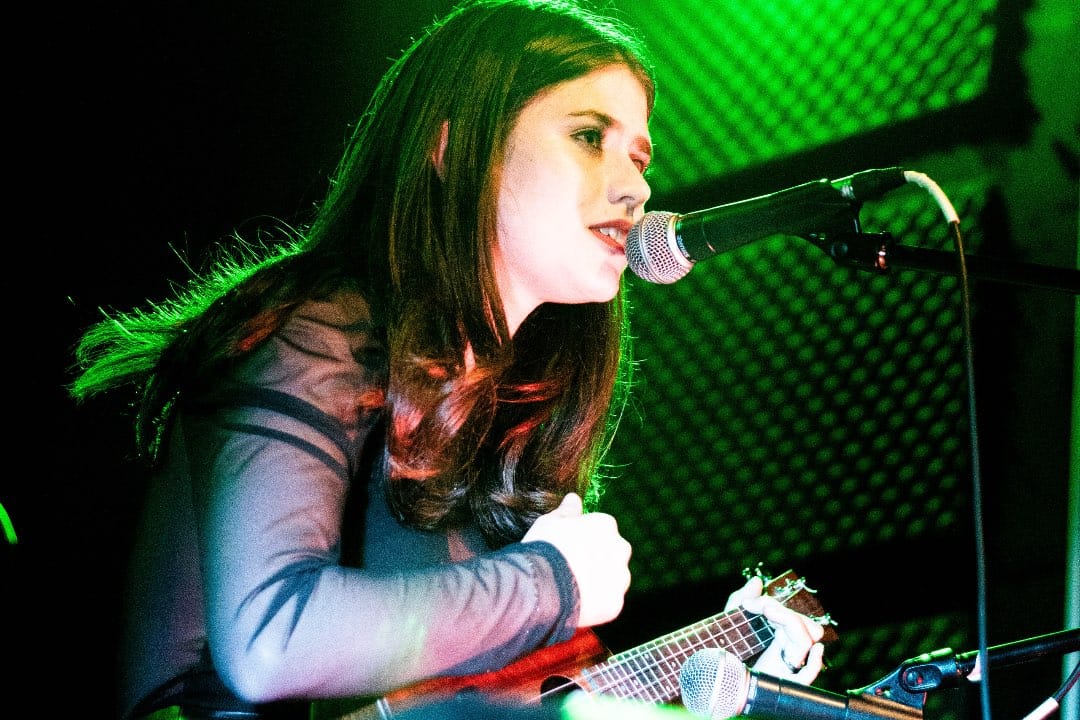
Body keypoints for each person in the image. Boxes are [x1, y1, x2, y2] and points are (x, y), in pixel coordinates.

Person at [69, 1, 826, 718]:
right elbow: (270, 641)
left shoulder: (508, 417)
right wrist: (553, 581)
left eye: (639, 154)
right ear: (452, 144)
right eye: (590, 136)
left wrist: (724, 676)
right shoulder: (316, 324)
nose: (637, 187)